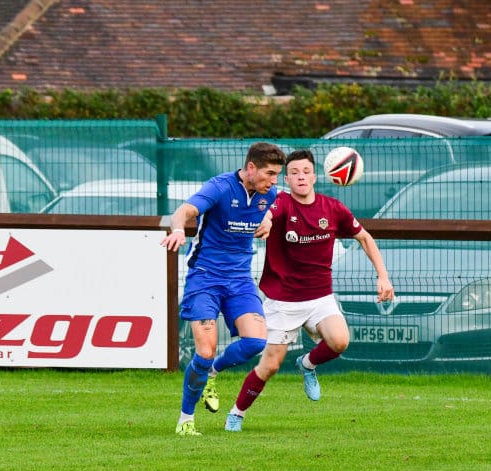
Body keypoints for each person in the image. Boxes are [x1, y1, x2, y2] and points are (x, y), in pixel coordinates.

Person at [224, 149, 394, 432]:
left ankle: (306, 364)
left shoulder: (333, 208)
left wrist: (383, 276)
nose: (300, 177)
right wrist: (265, 222)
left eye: (305, 172)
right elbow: (269, 215)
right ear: (287, 180)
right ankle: (237, 413)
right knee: (270, 366)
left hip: (320, 298)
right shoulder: (281, 203)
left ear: (315, 176)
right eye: (294, 173)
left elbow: (364, 237)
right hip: (283, 301)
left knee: (340, 341)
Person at [161, 142, 287, 436]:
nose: (274, 181)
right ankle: (185, 419)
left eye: (277, 175)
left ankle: (212, 373)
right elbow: (184, 210)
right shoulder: (219, 187)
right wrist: (178, 228)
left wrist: (269, 220)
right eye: (270, 173)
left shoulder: (270, 195)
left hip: (240, 280)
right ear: (251, 168)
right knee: (204, 352)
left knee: (256, 342)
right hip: (205, 277)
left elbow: (275, 209)